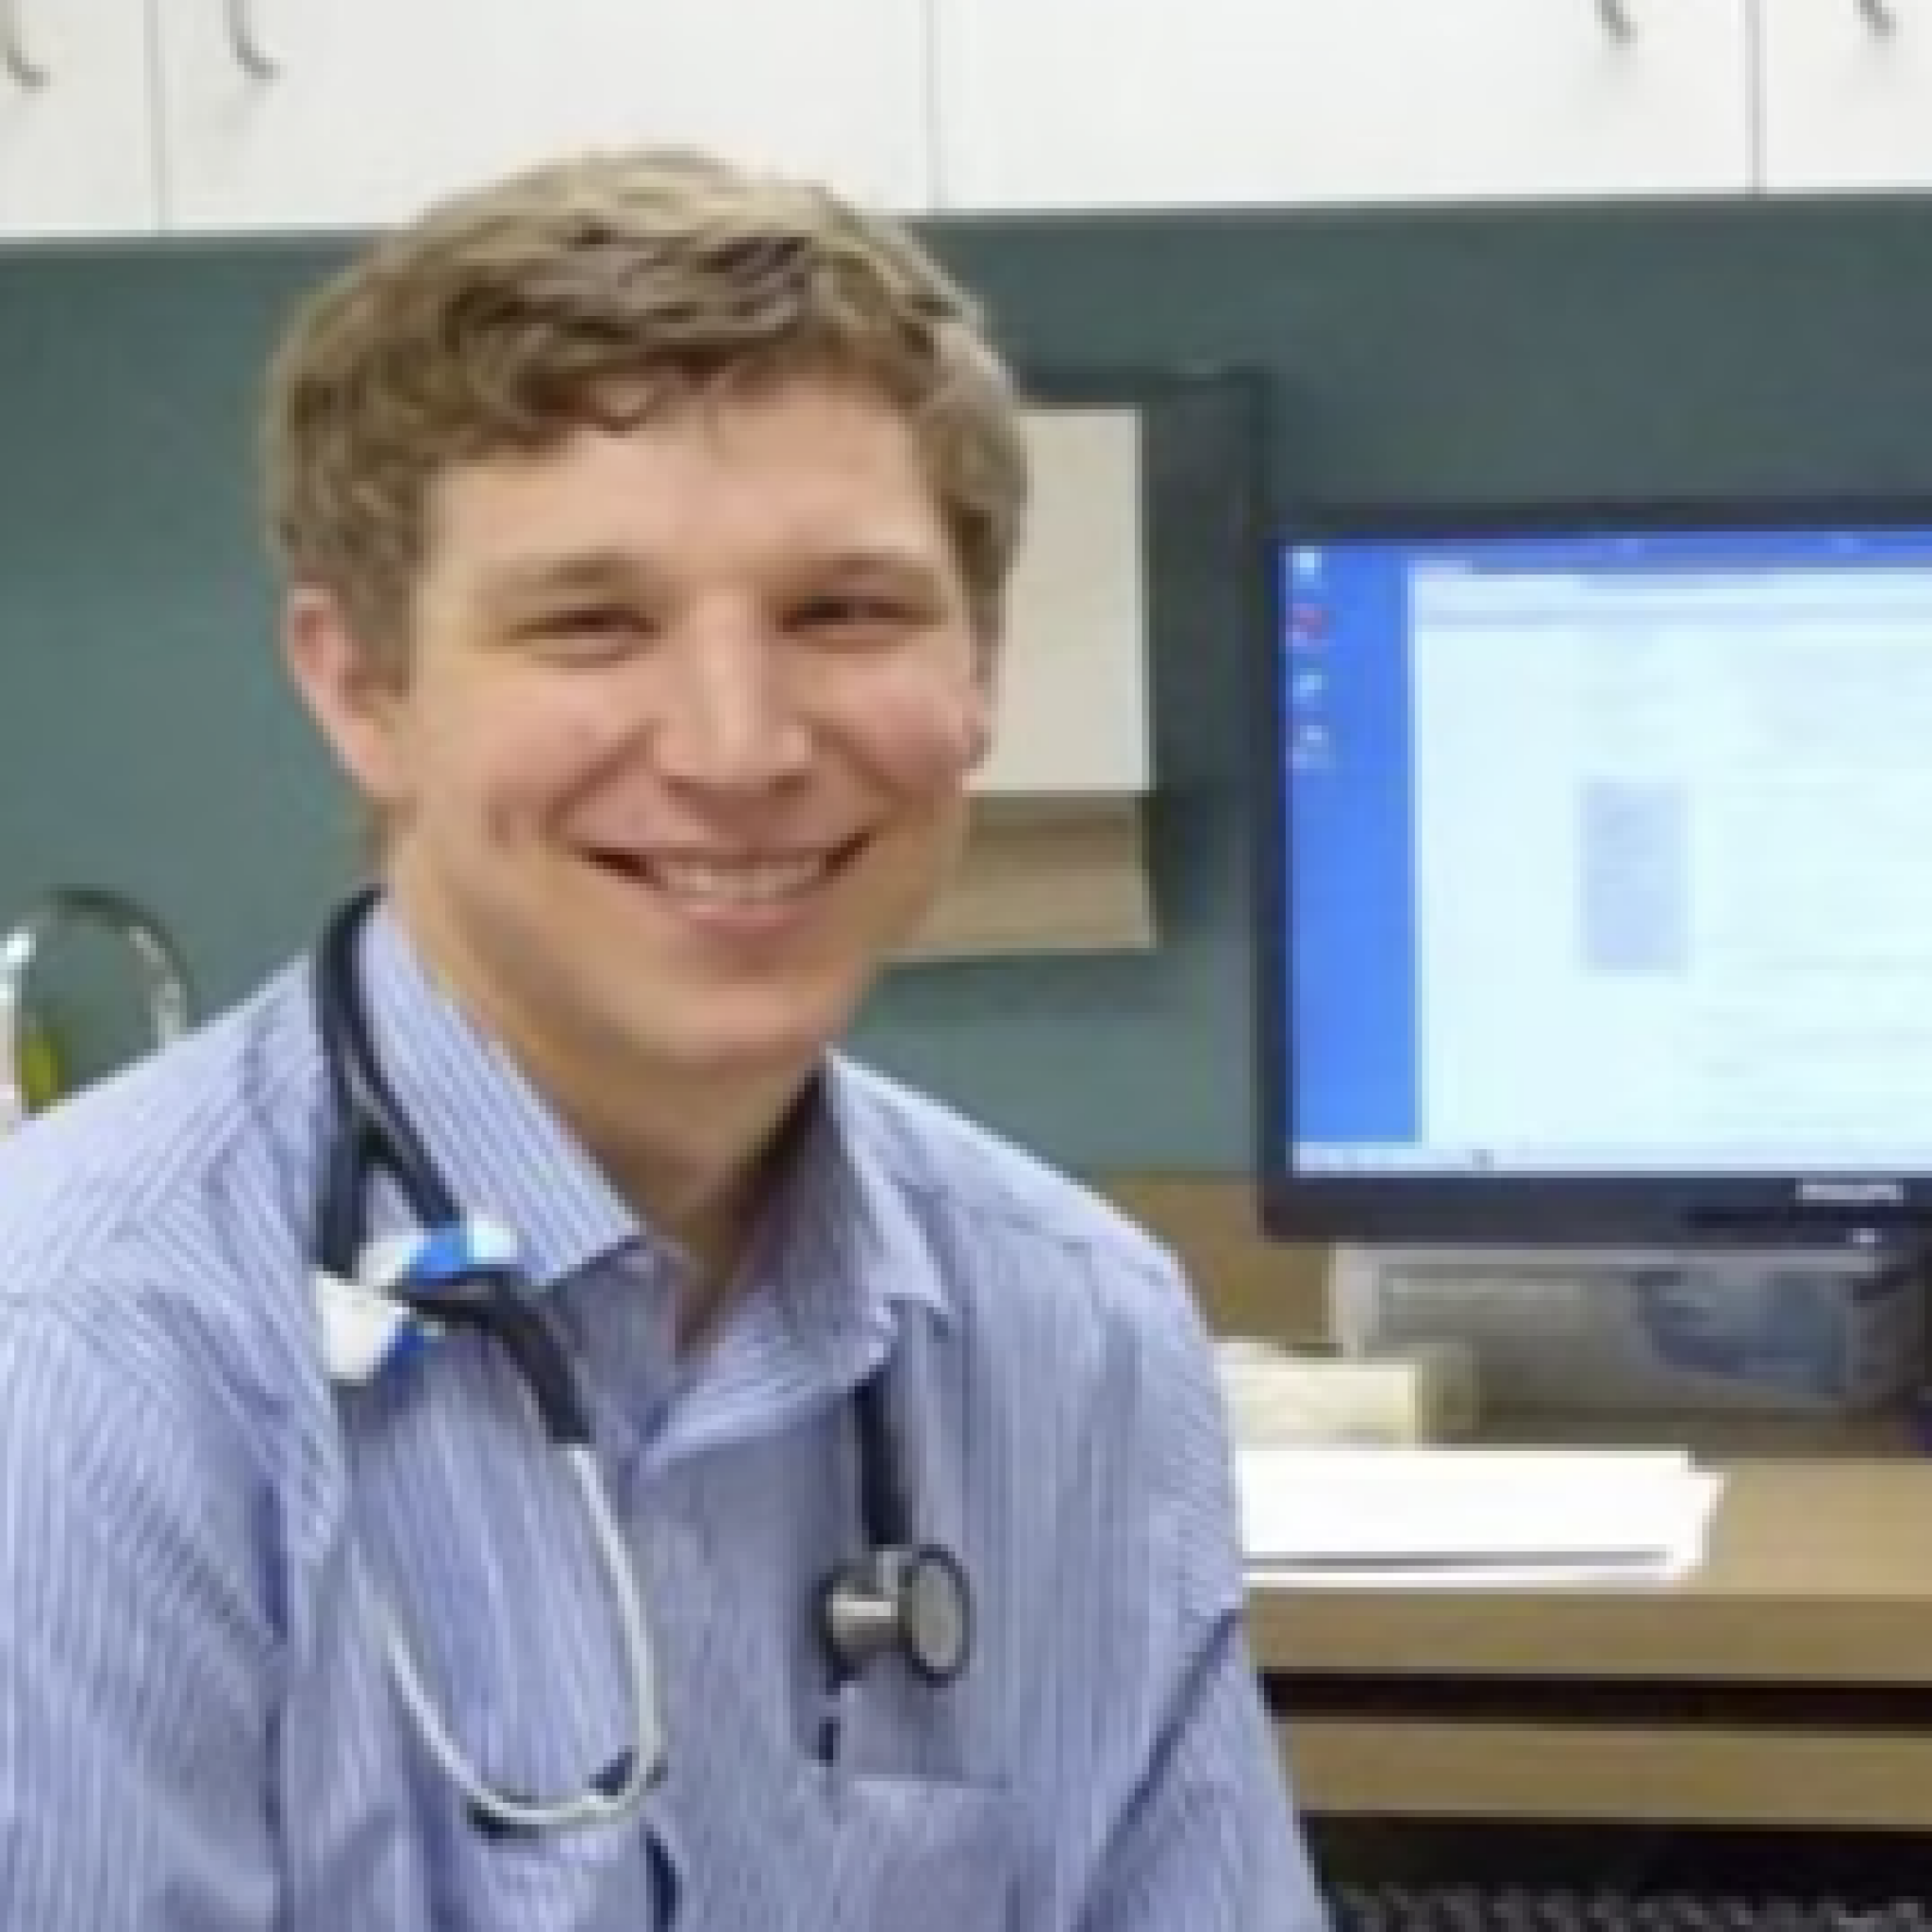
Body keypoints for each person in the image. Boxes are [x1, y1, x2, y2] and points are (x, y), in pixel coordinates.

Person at [0, 146, 1329, 1929]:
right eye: (591, 625)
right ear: (362, 686)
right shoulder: (78, 1359)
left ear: (981, 667)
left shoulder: (1072, 1331)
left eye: (844, 612)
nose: (737, 745)